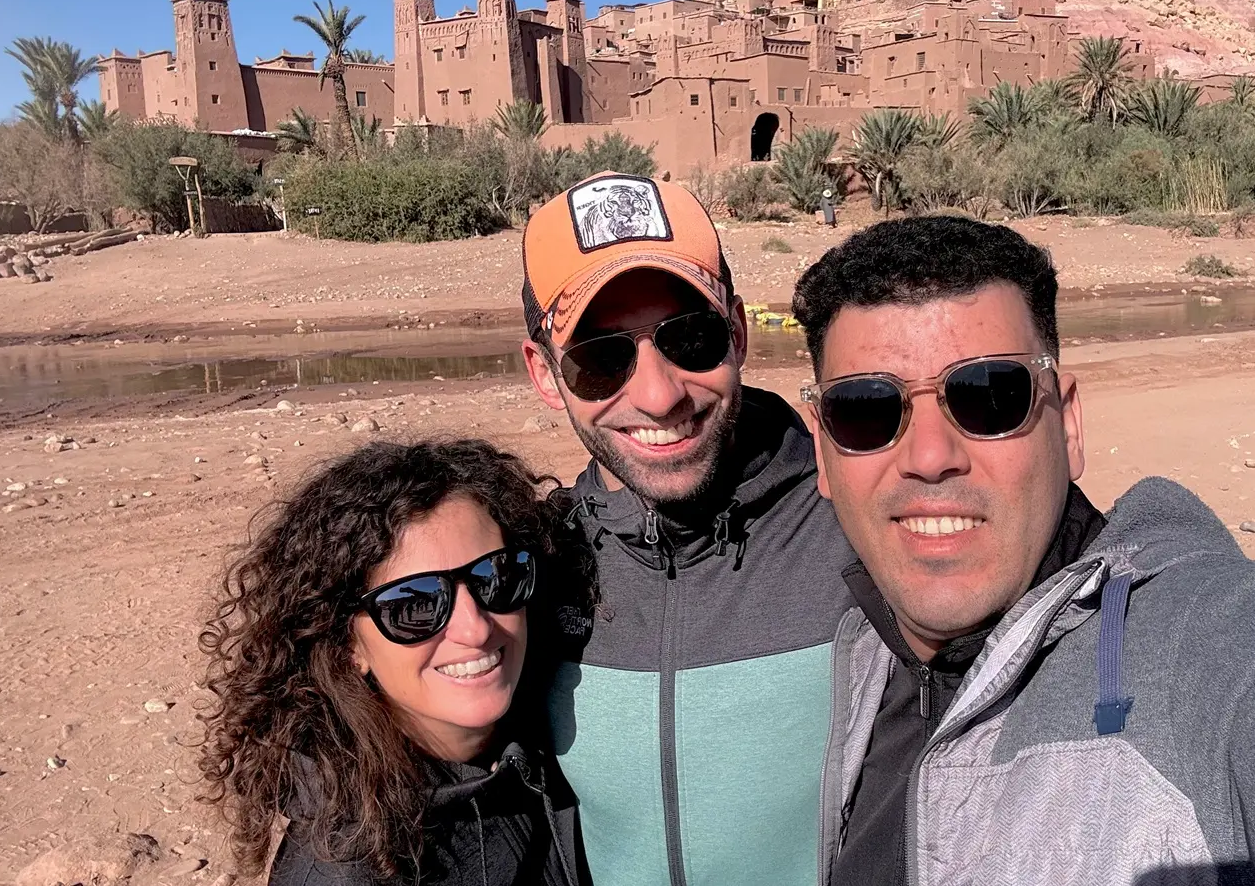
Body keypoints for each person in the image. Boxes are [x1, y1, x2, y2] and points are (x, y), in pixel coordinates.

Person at [792, 216, 1255, 886]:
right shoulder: (862, 650)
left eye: (990, 396)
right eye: (867, 409)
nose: (928, 456)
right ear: (822, 449)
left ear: (1068, 424)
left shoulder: (1206, 642)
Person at [520, 171, 855, 886]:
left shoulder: (855, 522)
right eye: (600, 357)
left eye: (692, 337)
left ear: (736, 332)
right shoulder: (529, 573)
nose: (659, 393)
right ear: (546, 375)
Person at [197, 439, 593, 886]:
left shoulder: (561, 736)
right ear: (349, 644)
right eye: (416, 606)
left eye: (497, 577)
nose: (476, 628)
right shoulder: (346, 869)